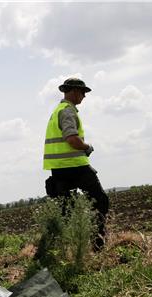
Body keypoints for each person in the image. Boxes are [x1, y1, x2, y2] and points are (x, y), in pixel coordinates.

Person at [43, 77, 109, 251]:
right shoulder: (67, 111)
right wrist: (87, 147)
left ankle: (59, 249)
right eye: (82, 92)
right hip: (75, 166)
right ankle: (98, 244)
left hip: (59, 169)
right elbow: (72, 139)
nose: (84, 97)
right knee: (100, 201)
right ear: (72, 91)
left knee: (64, 212)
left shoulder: (58, 110)